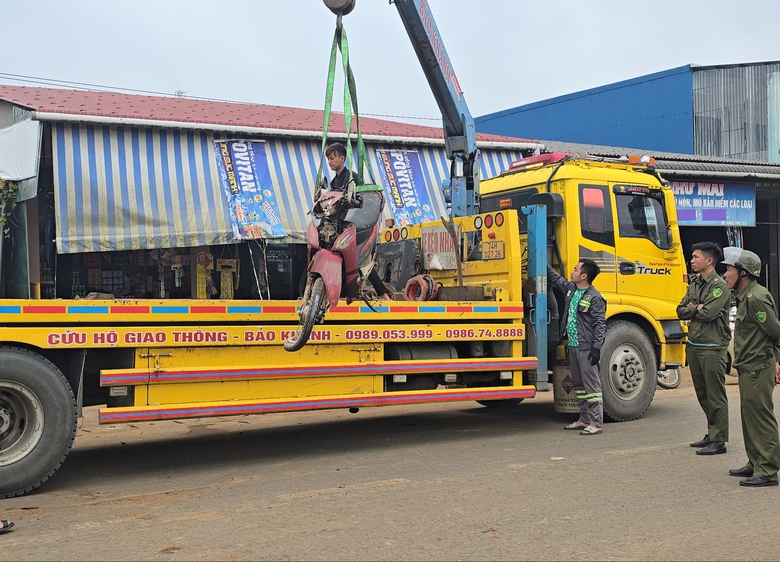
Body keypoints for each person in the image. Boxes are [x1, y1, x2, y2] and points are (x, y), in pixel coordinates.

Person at [722, 247, 780, 487]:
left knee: (761, 418)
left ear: (743, 273)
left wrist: (777, 360)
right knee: (749, 417)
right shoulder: (744, 297)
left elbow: (775, 332)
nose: (725, 274)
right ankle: (755, 462)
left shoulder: (756, 297)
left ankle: (767, 470)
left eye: (729, 270)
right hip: (748, 366)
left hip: (759, 366)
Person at [676, 242, 731, 455]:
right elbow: (680, 310)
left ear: (709, 261)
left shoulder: (719, 286)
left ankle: (719, 440)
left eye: (696, 257)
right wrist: (697, 308)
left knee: (715, 395)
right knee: (703, 394)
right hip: (695, 345)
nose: (692, 261)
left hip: (712, 347)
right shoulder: (695, 283)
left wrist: (696, 308)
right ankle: (712, 432)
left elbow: (708, 314)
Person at [325, 143, 391, 301]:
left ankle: (382, 293)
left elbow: (360, 203)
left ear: (342, 159)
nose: (330, 162)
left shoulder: (352, 178)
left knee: (359, 259)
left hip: (353, 224)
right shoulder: (334, 182)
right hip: (339, 225)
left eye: (332, 158)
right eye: (328, 159)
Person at [548, 259, 606, 435]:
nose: (572, 272)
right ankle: (584, 419)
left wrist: (596, 348)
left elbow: (600, 324)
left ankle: (596, 423)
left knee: (591, 387)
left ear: (583, 276)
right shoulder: (572, 290)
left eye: (575, 269)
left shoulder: (594, 297)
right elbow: (557, 279)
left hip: (586, 348)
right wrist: (544, 263)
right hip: (573, 346)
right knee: (579, 386)